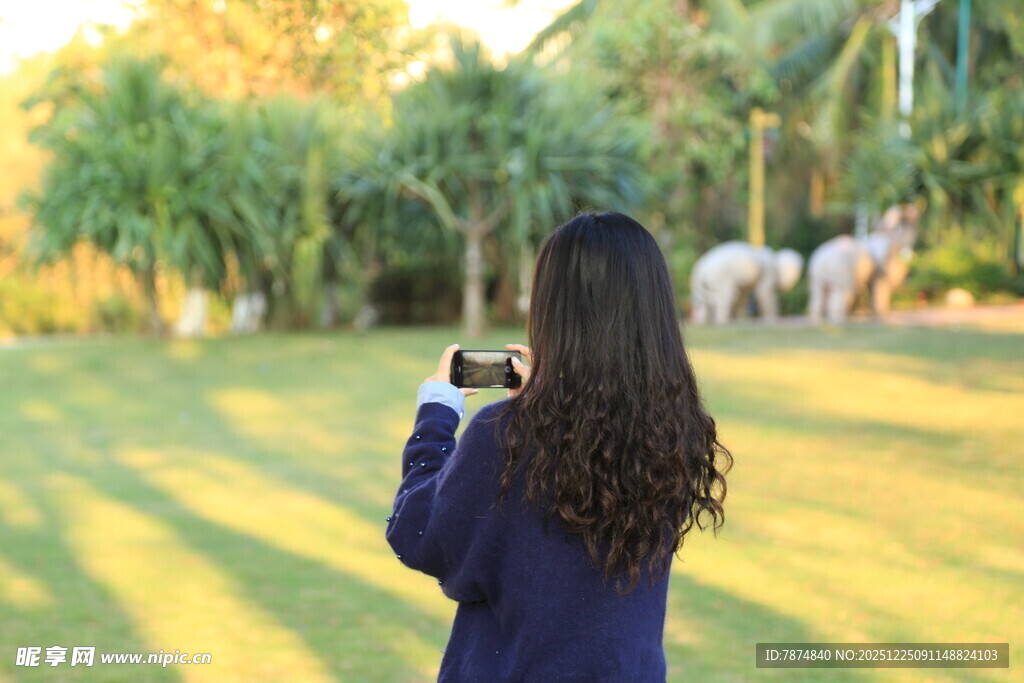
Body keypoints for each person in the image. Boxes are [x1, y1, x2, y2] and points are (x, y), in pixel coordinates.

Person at [386, 211, 731, 681]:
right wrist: (547, 402)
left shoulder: (506, 435)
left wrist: (436, 414)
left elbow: (419, 537)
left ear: (555, 309)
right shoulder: (675, 432)